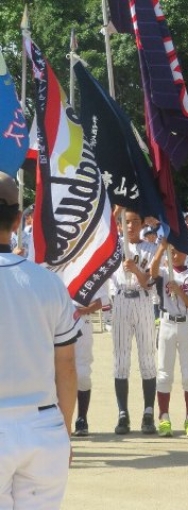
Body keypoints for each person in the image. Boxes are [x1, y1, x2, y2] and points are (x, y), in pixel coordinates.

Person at [0, 173, 81, 508]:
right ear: (19, 219)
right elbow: (67, 365)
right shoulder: (49, 283)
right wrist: (64, 430)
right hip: (44, 426)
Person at [150, 239, 188, 437]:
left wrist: (180, 292)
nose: (174, 255)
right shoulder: (164, 272)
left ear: (185, 253)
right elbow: (152, 272)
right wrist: (161, 248)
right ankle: (164, 418)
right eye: (171, 251)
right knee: (164, 374)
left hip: (187, 324)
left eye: (177, 251)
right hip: (166, 324)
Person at [110, 210, 158, 435]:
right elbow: (104, 225)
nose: (130, 226)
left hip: (143, 300)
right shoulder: (114, 245)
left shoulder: (151, 247)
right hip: (121, 299)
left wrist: (136, 270)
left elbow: (150, 282)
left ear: (142, 224)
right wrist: (118, 207)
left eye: (135, 221)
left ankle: (148, 412)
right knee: (121, 360)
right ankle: (123, 413)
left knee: (147, 358)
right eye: (126, 222)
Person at [72, 288, 109, 437]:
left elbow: (102, 300)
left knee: (82, 374)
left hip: (82, 321)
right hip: (57, 323)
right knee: (56, 373)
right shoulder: (51, 274)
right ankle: (59, 421)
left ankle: (82, 419)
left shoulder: (85, 275)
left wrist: (83, 310)